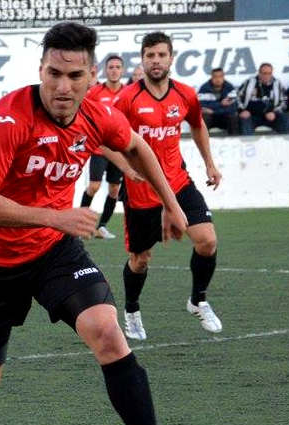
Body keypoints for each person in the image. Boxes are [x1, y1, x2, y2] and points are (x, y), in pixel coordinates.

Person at [0, 22, 190, 425]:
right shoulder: (9, 117)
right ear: (41, 70)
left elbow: (137, 146)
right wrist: (57, 215)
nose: (62, 86)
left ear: (92, 76)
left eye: (75, 75)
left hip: (54, 249)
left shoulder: (97, 115)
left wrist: (171, 204)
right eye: (53, 73)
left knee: (108, 332)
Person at [113, 31, 223, 340]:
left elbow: (198, 126)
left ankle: (198, 299)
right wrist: (124, 166)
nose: (156, 60)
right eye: (150, 55)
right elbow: (102, 138)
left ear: (171, 58)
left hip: (178, 181)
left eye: (162, 55)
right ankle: (132, 310)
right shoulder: (127, 98)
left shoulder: (186, 94)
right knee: (140, 260)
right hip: (141, 192)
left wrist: (210, 164)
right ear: (143, 59)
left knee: (207, 241)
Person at [79, 54, 136, 239]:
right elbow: (83, 111)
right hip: (100, 148)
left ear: (122, 70)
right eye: (110, 67)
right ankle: (80, 225)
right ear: (106, 70)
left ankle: (102, 226)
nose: (114, 70)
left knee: (114, 190)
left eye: (117, 67)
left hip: (120, 149)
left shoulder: (128, 92)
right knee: (94, 186)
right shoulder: (95, 92)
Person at [237, 62, 289, 135]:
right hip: (252, 115)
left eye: (269, 73)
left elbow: (284, 102)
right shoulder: (249, 82)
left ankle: (285, 143)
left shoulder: (277, 83)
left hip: (271, 115)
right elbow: (237, 97)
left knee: (284, 118)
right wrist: (242, 110)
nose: (266, 76)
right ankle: (248, 144)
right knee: (244, 120)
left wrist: (274, 112)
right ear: (259, 73)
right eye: (264, 73)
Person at [197, 68, 239, 135]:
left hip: (224, 117)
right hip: (211, 118)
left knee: (232, 116)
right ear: (211, 77)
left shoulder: (229, 88)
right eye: (215, 77)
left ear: (223, 77)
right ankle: (203, 142)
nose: (218, 79)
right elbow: (202, 106)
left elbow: (232, 107)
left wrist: (214, 110)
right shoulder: (204, 88)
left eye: (220, 76)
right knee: (205, 116)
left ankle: (234, 141)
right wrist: (221, 104)